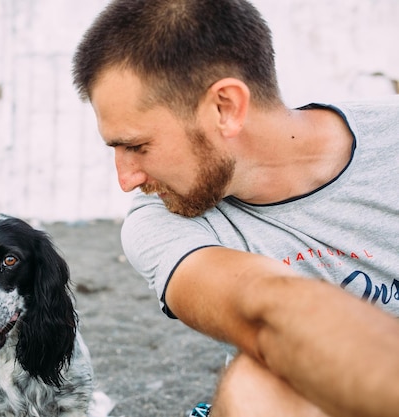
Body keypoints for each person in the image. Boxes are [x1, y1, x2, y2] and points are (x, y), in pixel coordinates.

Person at [72, 1, 399, 416]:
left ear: (226, 107)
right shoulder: (157, 220)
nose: (127, 179)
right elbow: (265, 311)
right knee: (256, 388)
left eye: (138, 146)